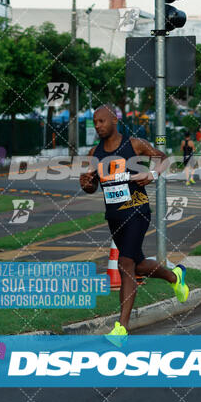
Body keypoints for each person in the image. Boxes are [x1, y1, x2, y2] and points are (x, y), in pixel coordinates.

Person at [79, 104, 189, 345]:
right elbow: (91, 187)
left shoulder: (134, 145)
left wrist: (153, 174)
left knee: (125, 264)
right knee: (137, 264)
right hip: (114, 216)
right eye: (95, 122)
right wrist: (85, 182)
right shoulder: (94, 153)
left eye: (102, 121)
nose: (98, 126)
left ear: (114, 120)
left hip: (137, 210)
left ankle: (122, 329)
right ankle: (174, 277)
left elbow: (165, 159)